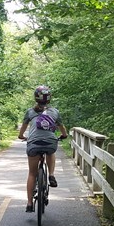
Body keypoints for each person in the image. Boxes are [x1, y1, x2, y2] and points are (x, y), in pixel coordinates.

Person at [18, 85, 68, 213]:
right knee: (51, 151)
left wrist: (21, 136)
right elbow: (62, 129)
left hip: (34, 143)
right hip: (50, 143)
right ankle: (51, 175)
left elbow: (22, 129)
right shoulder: (55, 112)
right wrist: (64, 135)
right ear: (49, 98)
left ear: (36, 98)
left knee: (32, 173)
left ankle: (29, 204)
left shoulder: (30, 112)